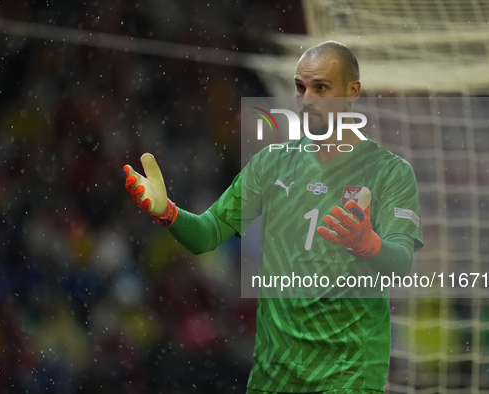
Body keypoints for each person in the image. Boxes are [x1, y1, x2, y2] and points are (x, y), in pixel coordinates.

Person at [124, 41, 424, 394]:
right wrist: (168, 212)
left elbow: (401, 262)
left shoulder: (390, 172)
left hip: (349, 374)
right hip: (275, 374)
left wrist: (370, 246)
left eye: (321, 87)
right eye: (300, 87)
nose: (306, 98)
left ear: (351, 92)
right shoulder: (270, 163)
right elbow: (207, 234)